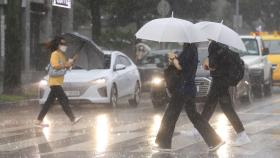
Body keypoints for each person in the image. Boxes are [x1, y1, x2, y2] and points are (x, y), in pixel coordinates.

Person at [155, 43, 225, 152]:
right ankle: (215, 140)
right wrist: (174, 60)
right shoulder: (192, 49)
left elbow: (180, 66)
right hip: (188, 88)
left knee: (170, 115)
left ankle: (164, 143)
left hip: (182, 88)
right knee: (194, 116)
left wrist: (173, 58)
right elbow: (184, 67)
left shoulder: (189, 50)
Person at [202, 41, 251, 146]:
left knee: (212, 105)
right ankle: (242, 134)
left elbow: (213, 64)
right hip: (224, 79)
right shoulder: (224, 45)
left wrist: (207, 65)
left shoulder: (214, 45)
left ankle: (199, 128)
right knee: (224, 107)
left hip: (219, 80)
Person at [35, 36, 82, 127]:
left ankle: (38, 120)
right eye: (62, 44)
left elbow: (66, 66)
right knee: (63, 99)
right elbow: (55, 66)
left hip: (58, 82)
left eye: (65, 44)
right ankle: (72, 118)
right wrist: (66, 66)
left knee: (49, 102)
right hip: (54, 82)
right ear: (57, 45)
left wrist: (72, 61)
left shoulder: (62, 55)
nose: (64, 46)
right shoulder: (55, 54)